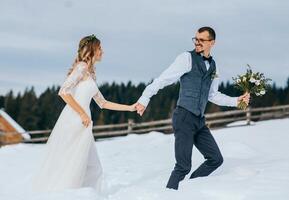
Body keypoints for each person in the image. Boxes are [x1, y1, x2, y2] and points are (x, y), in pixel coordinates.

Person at [135, 27, 250, 190]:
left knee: (215, 159)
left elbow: (213, 94)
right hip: (184, 118)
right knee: (183, 166)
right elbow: (163, 79)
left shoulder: (214, 66)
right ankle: (168, 196)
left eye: (202, 40)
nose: (197, 42)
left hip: (199, 121)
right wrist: (144, 98)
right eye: (196, 39)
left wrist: (236, 101)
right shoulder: (186, 58)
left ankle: (188, 190)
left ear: (212, 43)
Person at [31, 34, 136, 193]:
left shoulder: (91, 74)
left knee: (93, 168)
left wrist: (130, 107)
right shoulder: (82, 67)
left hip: (84, 123)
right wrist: (82, 114)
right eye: (100, 48)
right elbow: (64, 92)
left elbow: (103, 103)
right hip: (75, 121)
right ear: (92, 50)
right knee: (72, 165)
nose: (102, 51)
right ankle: (64, 194)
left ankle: (86, 195)